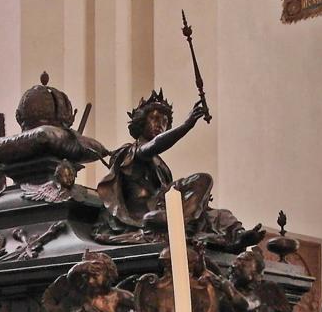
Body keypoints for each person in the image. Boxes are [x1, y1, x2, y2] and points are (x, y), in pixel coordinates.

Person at [98, 90, 257, 247]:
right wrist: (186, 126)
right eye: (155, 118)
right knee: (203, 179)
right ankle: (178, 228)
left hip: (164, 209)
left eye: (165, 121)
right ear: (141, 122)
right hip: (145, 215)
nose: (160, 124)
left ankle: (237, 236)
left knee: (220, 214)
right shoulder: (130, 151)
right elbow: (153, 146)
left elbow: (169, 192)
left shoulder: (162, 166)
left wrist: (199, 198)